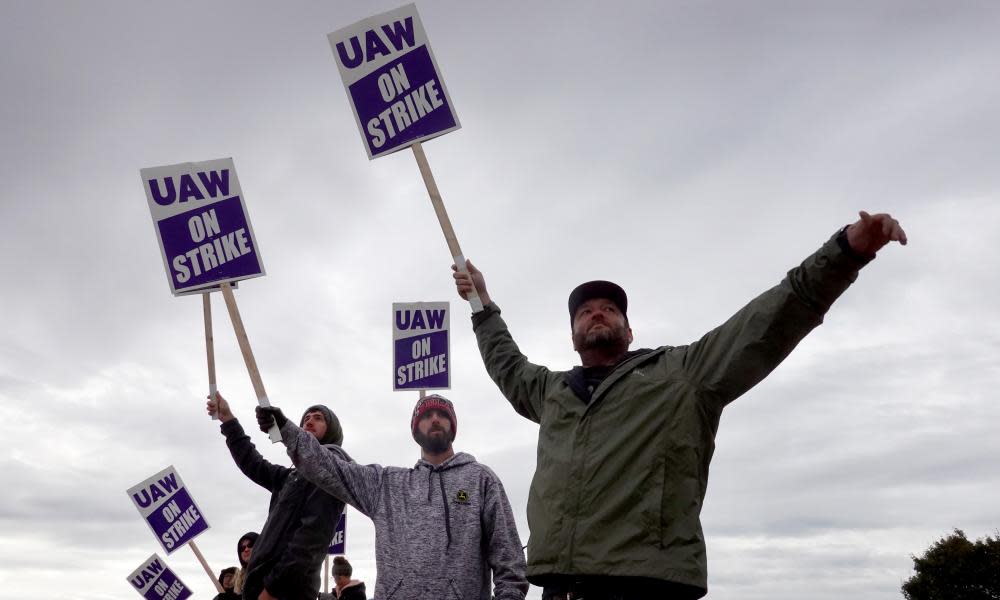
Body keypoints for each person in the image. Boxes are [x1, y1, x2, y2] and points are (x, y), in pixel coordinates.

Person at [452, 211, 907, 599]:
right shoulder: (552, 393)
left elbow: (770, 318)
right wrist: (482, 303)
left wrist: (845, 253)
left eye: (610, 308)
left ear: (629, 332)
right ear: (573, 336)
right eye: (584, 310)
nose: (596, 312)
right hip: (560, 587)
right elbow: (507, 365)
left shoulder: (683, 373)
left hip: (648, 586)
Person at [256, 394, 529, 600]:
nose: (434, 419)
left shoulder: (481, 480)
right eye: (426, 415)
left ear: (452, 426)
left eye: (442, 415)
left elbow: (509, 559)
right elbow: (331, 468)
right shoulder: (387, 484)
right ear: (415, 430)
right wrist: (286, 429)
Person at [207, 393, 349, 600]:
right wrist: (228, 420)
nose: (309, 421)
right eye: (306, 418)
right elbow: (252, 462)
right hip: (262, 587)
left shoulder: (332, 463)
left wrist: (273, 589)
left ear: (333, 429)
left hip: (285, 592)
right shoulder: (289, 477)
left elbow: (311, 538)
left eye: (318, 418)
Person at [233, 532, 258, 597]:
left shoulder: (270, 570)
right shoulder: (239, 580)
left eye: (250, 545)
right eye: (242, 548)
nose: (246, 549)